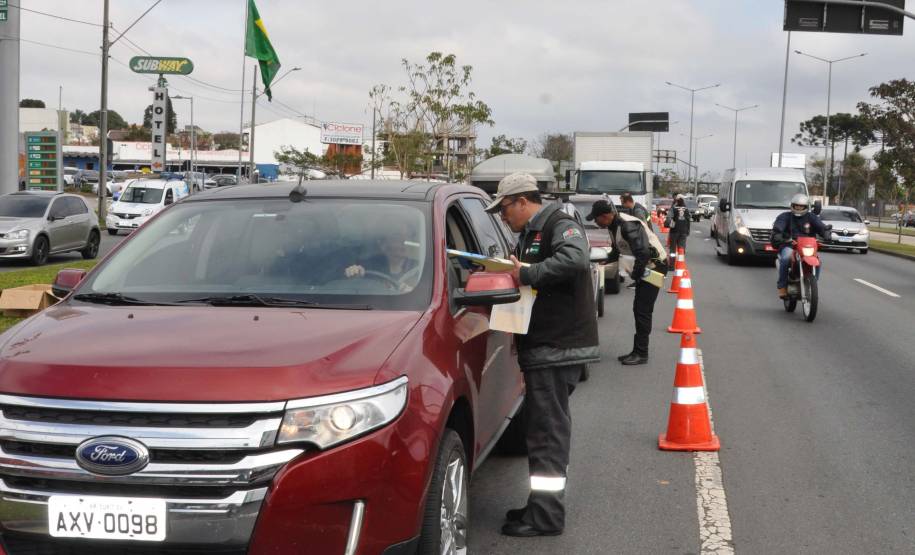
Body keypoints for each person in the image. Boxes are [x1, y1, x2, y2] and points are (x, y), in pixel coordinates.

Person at [485, 172, 599, 537]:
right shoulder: (531, 234)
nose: (503, 217)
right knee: (540, 431)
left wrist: (528, 273)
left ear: (521, 201)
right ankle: (538, 506)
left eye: (504, 209)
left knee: (548, 434)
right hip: (544, 346)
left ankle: (547, 517)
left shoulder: (558, 223)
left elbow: (576, 260)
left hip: (557, 346)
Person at [588, 199, 668, 365]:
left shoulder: (627, 225)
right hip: (645, 267)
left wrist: (635, 275)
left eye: (596, 219)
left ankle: (641, 353)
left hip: (654, 267)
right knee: (638, 308)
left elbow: (643, 253)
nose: (595, 222)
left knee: (642, 310)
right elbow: (618, 249)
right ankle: (637, 350)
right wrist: (605, 259)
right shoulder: (613, 226)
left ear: (605, 216)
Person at [771, 193, 830, 299]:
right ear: (792, 206)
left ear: (806, 207)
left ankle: (813, 283)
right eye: (796, 206)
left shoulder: (811, 217)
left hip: (806, 246)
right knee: (785, 258)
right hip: (789, 245)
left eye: (801, 206)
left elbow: (820, 226)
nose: (798, 208)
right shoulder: (785, 216)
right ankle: (782, 287)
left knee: (817, 261)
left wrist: (825, 232)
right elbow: (779, 226)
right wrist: (778, 233)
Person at [344, 219, 419, 289]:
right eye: (397, 236)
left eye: (409, 237)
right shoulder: (367, 266)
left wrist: (413, 292)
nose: (404, 241)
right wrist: (354, 275)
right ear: (382, 243)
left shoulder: (419, 269)